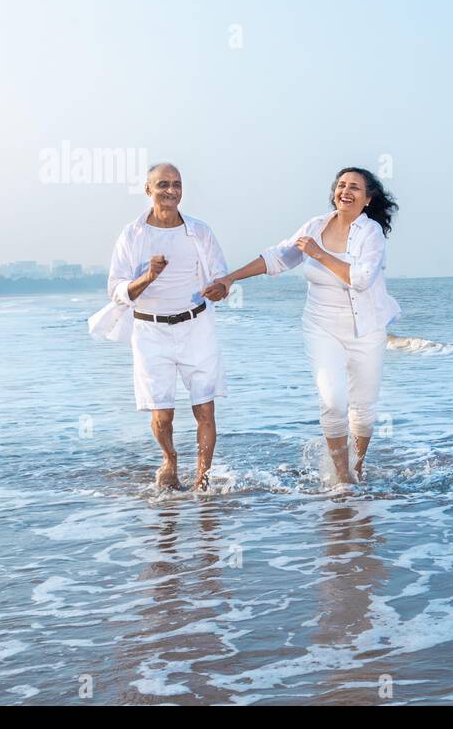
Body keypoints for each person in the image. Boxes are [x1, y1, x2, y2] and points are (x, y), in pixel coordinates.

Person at [204, 167, 399, 485]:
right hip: (321, 326)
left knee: (363, 408)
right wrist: (229, 278)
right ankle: (342, 479)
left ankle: (357, 468)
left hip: (367, 329)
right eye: (341, 185)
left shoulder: (371, 233)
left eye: (354, 187)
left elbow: (361, 279)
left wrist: (318, 254)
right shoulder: (316, 225)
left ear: (367, 199)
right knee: (333, 400)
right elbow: (278, 257)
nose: (345, 191)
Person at [88, 163, 229, 491]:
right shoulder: (133, 234)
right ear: (148, 190)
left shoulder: (200, 231)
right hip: (150, 332)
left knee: (205, 408)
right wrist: (149, 277)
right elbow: (117, 291)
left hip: (196, 326)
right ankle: (170, 458)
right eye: (163, 184)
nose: (171, 190)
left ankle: (202, 480)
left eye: (177, 184)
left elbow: (222, 279)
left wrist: (219, 289)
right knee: (162, 416)